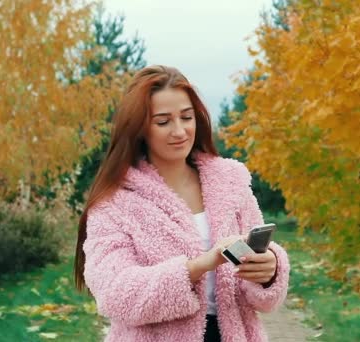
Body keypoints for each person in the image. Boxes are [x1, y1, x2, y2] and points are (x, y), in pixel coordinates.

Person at [73, 65, 290, 342]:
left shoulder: (231, 184)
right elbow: (115, 293)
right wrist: (199, 266)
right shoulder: (115, 203)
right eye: (163, 122)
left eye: (186, 117)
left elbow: (263, 296)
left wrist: (269, 268)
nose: (179, 131)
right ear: (140, 129)